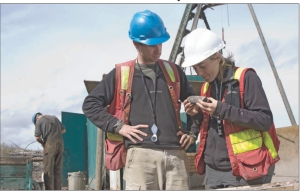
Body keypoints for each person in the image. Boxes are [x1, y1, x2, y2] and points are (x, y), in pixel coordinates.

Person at [82, 10, 198, 190]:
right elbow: (90, 105)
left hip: (176, 156)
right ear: (136, 44)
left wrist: (192, 133)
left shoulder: (174, 72)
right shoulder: (121, 74)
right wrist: (119, 127)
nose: (158, 49)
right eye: (152, 44)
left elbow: (195, 103)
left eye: (160, 43)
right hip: (141, 157)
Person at [182, 28, 280, 189]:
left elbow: (264, 120)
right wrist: (196, 116)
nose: (199, 73)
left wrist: (221, 109)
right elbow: (211, 128)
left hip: (244, 171)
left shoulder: (246, 78)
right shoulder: (207, 87)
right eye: (195, 68)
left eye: (202, 66)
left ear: (217, 57)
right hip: (213, 172)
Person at [32, 112, 66, 190]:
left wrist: (43, 143)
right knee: (57, 170)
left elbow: (37, 137)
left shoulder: (39, 121)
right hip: (60, 146)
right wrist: (55, 133)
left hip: (50, 146)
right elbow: (63, 130)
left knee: (48, 170)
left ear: (36, 119)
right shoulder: (55, 118)